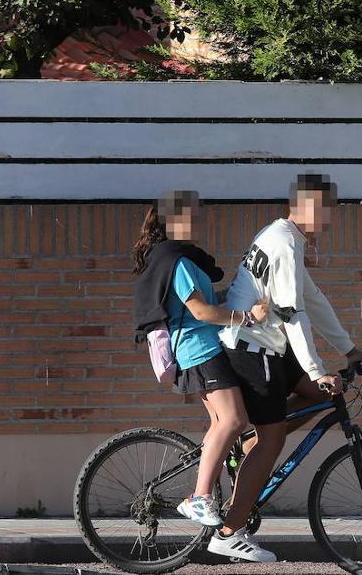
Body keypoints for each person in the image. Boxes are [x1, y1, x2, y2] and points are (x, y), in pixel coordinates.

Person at [207, 173, 362, 562]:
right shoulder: (283, 245)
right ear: (303, 206)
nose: (330, 219)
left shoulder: (287, 239)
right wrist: (316, 369)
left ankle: (251, 445)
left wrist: (349, 349)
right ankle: (229, 531)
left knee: (318, 396)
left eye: (332, 210)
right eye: (325, 209)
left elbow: (311, 299)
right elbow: (293, 313)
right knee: (274, 439)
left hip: (270, 347)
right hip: (252, 350)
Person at [131, 190, 267, 529]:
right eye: (192, 215)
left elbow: (204, 302)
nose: (199, 221)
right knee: (234, 420)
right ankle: (199, 496)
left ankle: (210, 481)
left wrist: (238, 297)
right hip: (200, 351)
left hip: (201, 348)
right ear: (172, 220)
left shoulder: (179, 259)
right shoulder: (177, 261)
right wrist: (245, 317)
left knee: (225, 422)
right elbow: (202, 312)